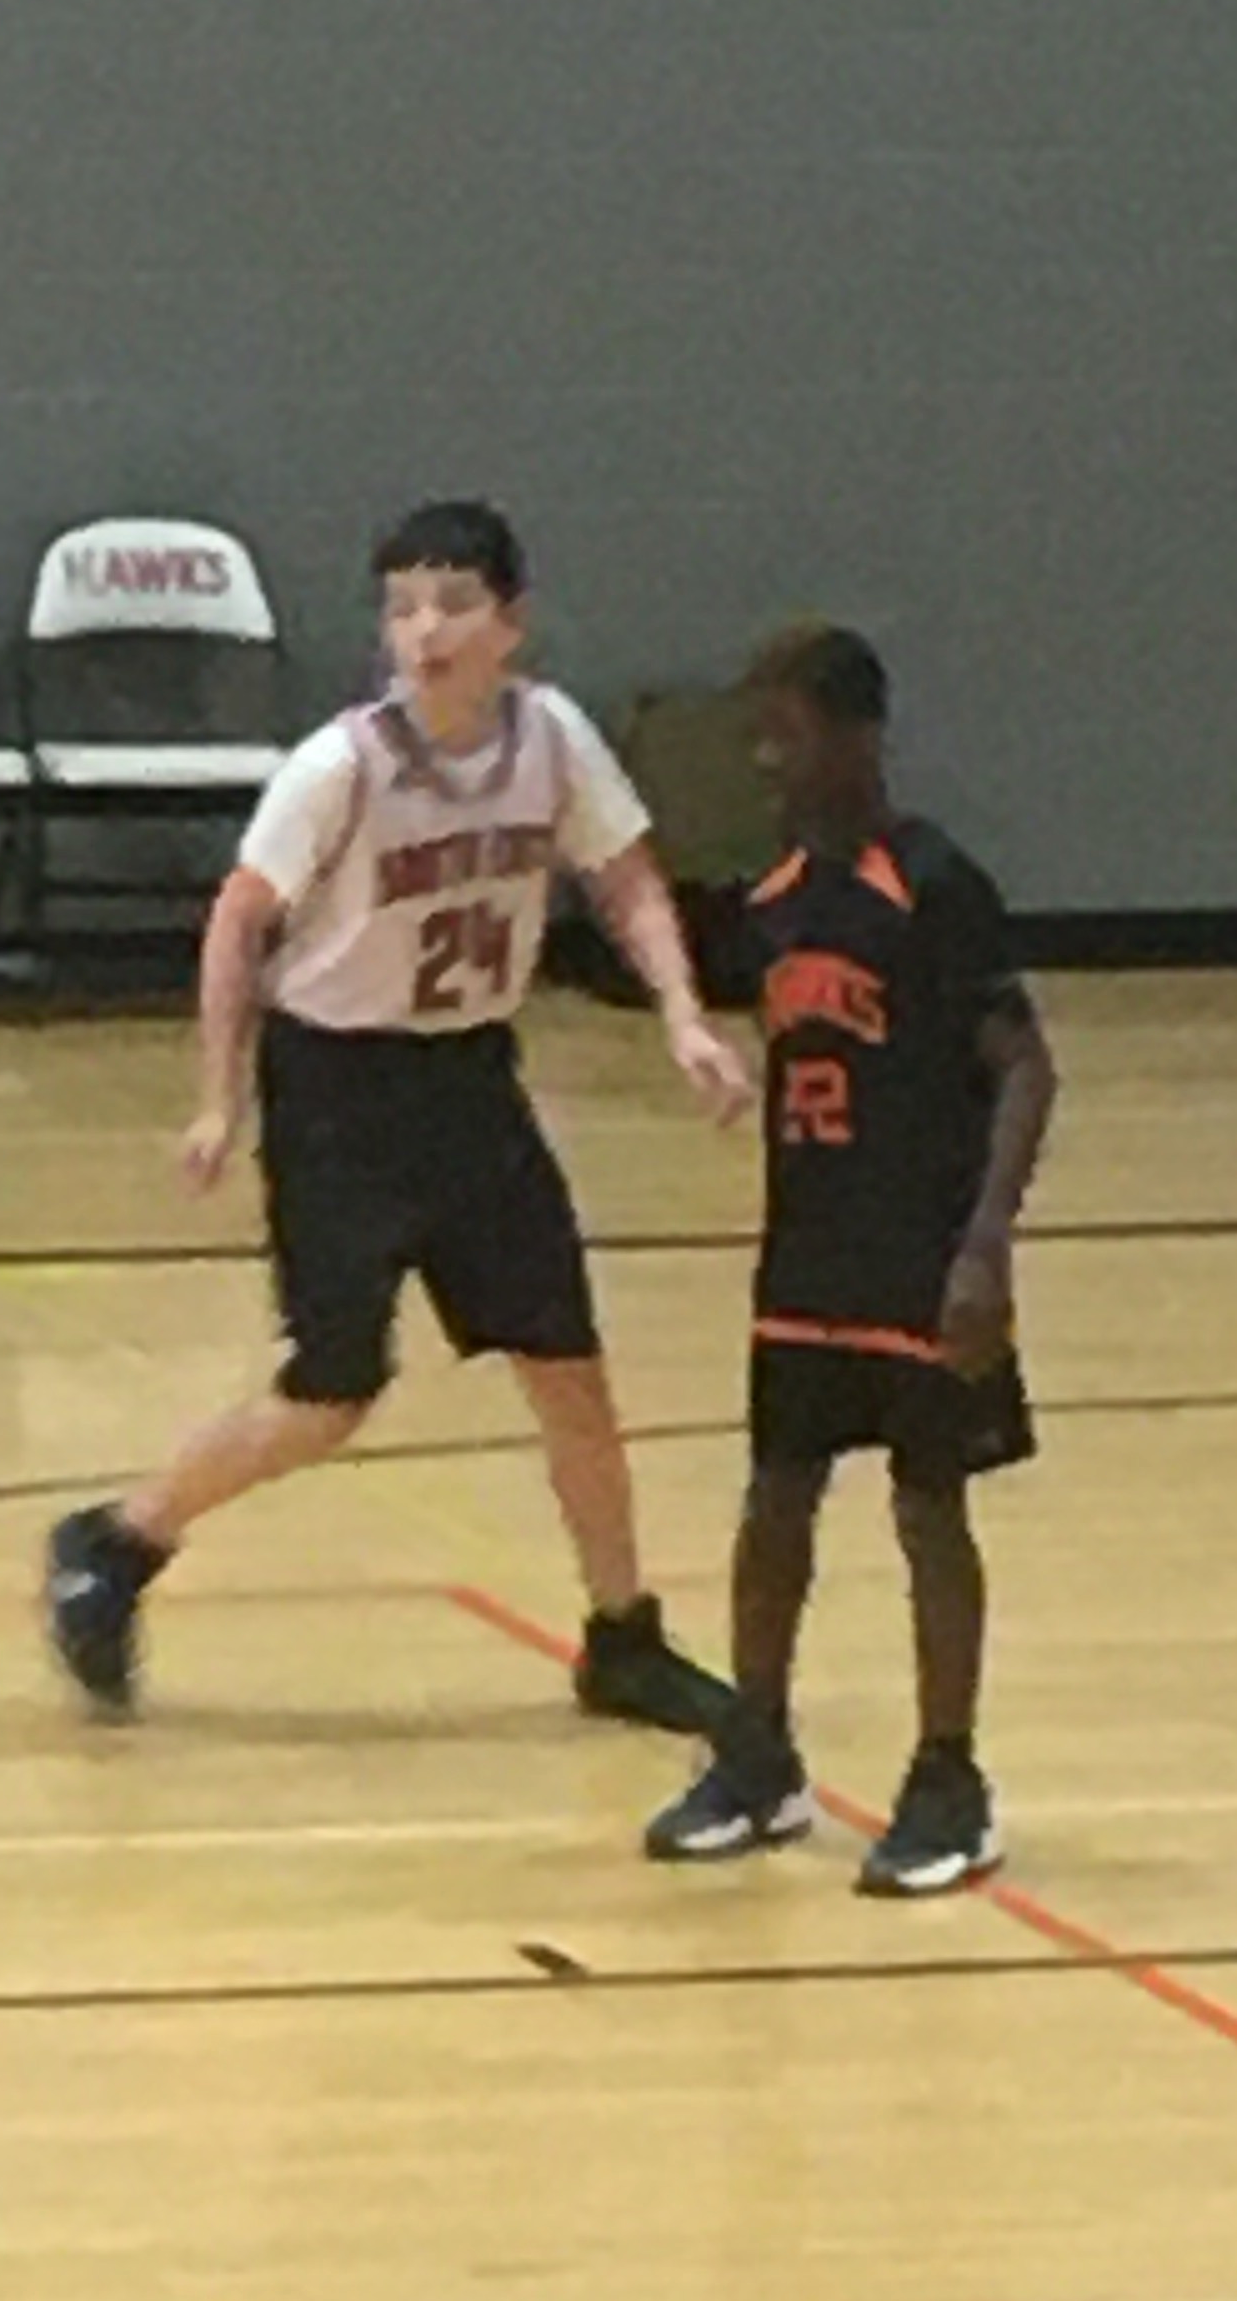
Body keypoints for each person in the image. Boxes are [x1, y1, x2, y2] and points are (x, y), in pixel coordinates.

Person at [44, 497, 754, 1731]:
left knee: (569, 1369)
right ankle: (120, 1539)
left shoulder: (554, 740)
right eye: (403, 609)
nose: (426, 631)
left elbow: (627, 876)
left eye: (454, 605)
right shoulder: (342, 766)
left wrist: (684, 1013)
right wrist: (217, 1098)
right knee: (331, 1391)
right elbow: (237, 923)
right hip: (337, 1090)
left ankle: (623, 1636)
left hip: (471, 1079)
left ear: (510, 624)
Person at [644, 623, 1057, 1896]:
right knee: (777, 1498)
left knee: (929, 1509)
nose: (770, 759)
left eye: (791, 733)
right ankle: (759, 1754)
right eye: (760, 735)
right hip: (808, 1252)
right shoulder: (775, 901)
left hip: (923, 1254)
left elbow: (1027, 1068)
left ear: (860, 735)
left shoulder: (932, 884)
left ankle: (950, 1782)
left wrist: (986, 1244)